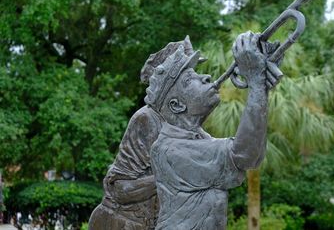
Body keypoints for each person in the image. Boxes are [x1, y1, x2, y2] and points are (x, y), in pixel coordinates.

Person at [148, 31, 282, 229]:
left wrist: (260, 83)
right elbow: (246, 156)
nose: (206, 77)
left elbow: (248, 151)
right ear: (177, 105)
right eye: (189, 80)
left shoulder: (196, 138)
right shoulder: (170, 150)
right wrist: (255, 82)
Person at [88, 37, 203, 230]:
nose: (197, 79)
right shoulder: (147, 119)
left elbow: (225, 155)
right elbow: (120, 188)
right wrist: (171, 175)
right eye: (188, 77)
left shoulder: (185, 122)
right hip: (121, 223)